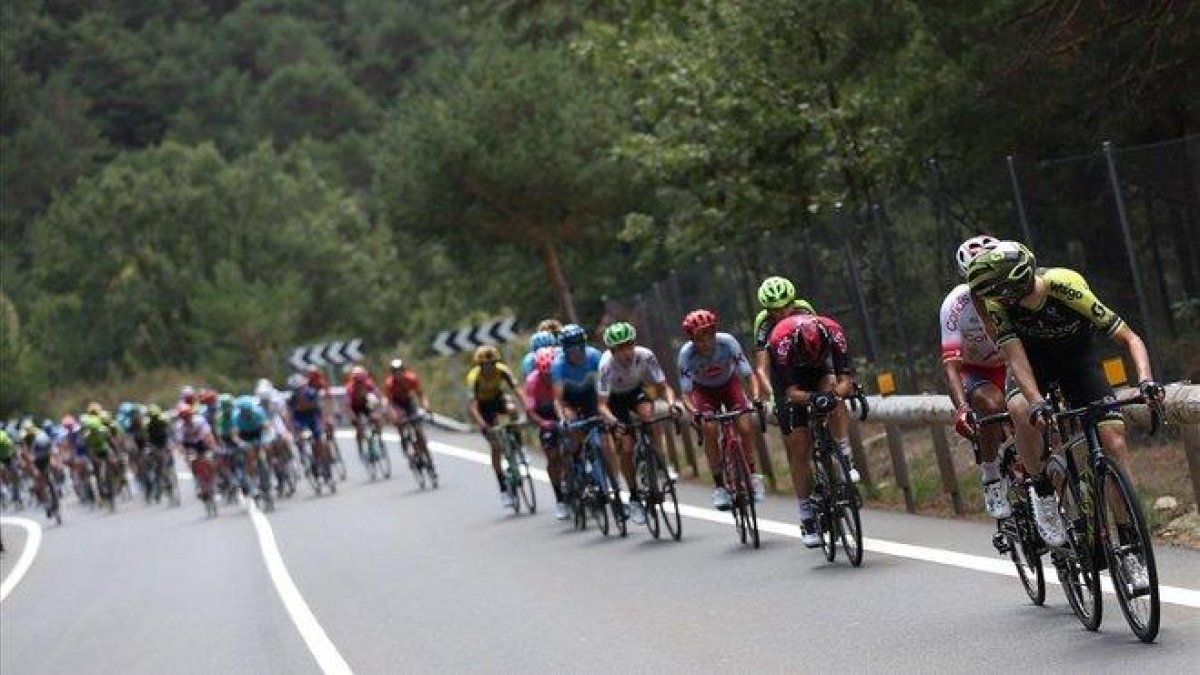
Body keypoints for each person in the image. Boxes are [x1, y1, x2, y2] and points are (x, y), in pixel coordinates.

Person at [967, 241, 1165, 590]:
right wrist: (1035, 399)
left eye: (997, 291)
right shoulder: (1001, 306)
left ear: (1011, 286)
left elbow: (1129, 338)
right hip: (1033, 369)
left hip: (1079, 365)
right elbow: (1016, 359)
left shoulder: (1064, 285)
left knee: (1113, 440)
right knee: (1020, 409)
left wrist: (1146, 379)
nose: (995, 298)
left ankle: (1130, 544)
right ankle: (1042, 491)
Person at [766, 309, 859, 547]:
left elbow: (845, 381)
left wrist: (833, 395)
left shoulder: (834, 332)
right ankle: (806, 513)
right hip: (791, 377)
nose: (814, 357)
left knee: (833, 395)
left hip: (822, 372)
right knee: (800, 446)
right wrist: (811, 399)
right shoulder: (781, 341)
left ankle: (844, 455)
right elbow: (790, 392)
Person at [940, 235, 1011, 519]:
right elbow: (951, 366)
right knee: (992, 407)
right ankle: (992, 475)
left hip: (1009, 363)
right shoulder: (954, 305)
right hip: (975, 370)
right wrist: (962, 409)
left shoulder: (1012, 292)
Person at [676, 309, 763, 510]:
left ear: (715, 332)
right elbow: (686, 394)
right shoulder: (686, 355)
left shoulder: (728, 342)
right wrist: (695, 412)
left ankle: (752, 475)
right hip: (703, 391)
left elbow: (749, 376)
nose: (706, 342)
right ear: (692, 339)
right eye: (700, 338)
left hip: (729, 385)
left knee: (745, 425)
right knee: (710, 429)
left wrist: (756, 397)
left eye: (709, 335)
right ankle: (720, 486)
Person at [597, 321, 679, 526]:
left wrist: (671, 404)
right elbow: (601, 406)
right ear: (612, 350)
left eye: (629, 344)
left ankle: (661, 465)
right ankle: (634, 497)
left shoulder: (645, 356)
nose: (627, 351)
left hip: (635, 392)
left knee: (650, 418)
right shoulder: (606, 365)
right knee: (626, 446)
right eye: (621, 348)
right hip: (614, 401)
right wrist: (614, 422)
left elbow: (663, 386)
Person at [552, 324, 626, 516]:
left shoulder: (594, 355)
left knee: (606, 444)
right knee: (572, 427)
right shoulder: (559, 365)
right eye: (571, 348)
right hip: (570, 402)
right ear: (564, 349)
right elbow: (558, 400)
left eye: (579, 346)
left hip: (590, 398)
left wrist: (610, 412)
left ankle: (615, 489)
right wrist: (562, 420)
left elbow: (607, 386)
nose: (576, 352)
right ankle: (577, 467)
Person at [467, 345, 526, 508]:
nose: (489, 368)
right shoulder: (474, 377)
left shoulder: (502, 370)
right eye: (485, 365)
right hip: (483, 406)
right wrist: (482, 424)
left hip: (498, 398)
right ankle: (503, 489)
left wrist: (527, 408)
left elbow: (517, 390)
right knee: (496, 447)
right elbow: (472, 405)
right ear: (480, 366)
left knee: (512, 409)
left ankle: (518, 445)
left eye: (492, 364)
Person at [750, 276, 816, 402]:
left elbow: (823, 342)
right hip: (782, 368)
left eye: (787, 306)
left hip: (808, 361)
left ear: (793, 302)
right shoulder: (763, 321)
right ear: (768, 310)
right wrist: (772, 395)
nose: (783, 313)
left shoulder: (804, 309)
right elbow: (761, 368)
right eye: (776, 310)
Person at [525, 346, 568, 519]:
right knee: (552, 456)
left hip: (563, 410)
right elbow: (530, 411)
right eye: (545, 375)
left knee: (573, 446)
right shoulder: (532, 382)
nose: (549, 377)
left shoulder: (562, 374)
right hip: (544, 415)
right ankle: (560, 499)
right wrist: (543, 423)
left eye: (551, 374)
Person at [385, 358, 436, 481]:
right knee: (401, 425)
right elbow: (389, 403)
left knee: (418, 429)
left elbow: (421, 394)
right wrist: (394, 416)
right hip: (397, 404)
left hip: (409, 402)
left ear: (404, 371)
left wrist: (426, 407)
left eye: (400, 371)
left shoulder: (411, 378)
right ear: (392, 374)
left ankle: (427, 456)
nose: (398, 374)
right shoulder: (389, 384)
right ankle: (406, 447)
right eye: (395, 372)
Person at [344, 365, 381, 455]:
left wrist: (377, 412)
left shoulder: (368, 384)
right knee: (359, 427)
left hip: (366, 404)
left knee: (376, 420)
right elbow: (348, 405)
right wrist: (353, 418)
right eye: (357, 380)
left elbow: (376, 397)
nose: (359, 382)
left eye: (361, 379)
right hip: (355, 407)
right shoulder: (350, 388)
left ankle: (378, 437)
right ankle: (360, 445)